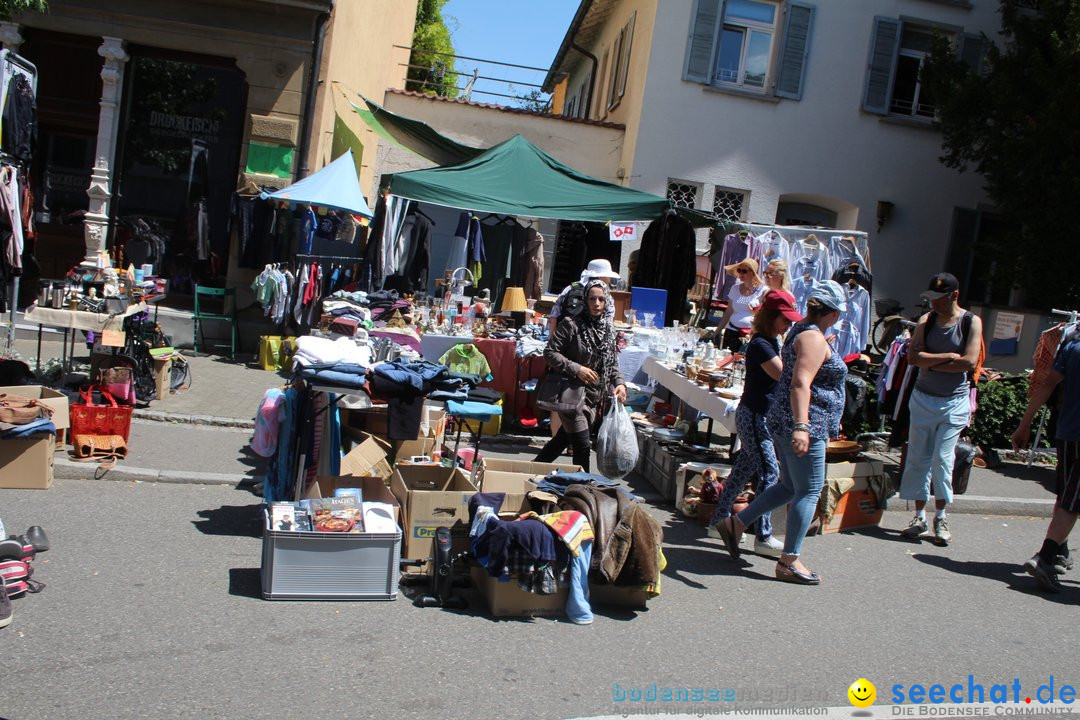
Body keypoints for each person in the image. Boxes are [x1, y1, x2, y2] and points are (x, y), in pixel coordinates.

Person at [716, 281, 848, 585]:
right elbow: (801, 382)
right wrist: (802, 426)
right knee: (808, 491)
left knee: (789, 486)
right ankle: (789, 561)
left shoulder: (803, 330)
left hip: (790, 420)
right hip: (804, 424)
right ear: (834, 312)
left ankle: (736, 524)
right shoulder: (812, 338)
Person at [709, 289, 803, 558]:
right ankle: (762, 535)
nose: (789, 324)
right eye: (785, 319)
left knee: (742, 471)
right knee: (769, 473)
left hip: (756, 414)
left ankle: (718, 521)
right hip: (755, 416)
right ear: (771, 317)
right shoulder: (762, 344)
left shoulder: (771, 341)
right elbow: (784, 375)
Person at [897, 272, 983, 546]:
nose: (933, 304)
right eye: (931, 298)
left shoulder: (971, 321)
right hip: (923, 398)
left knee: (943, 460)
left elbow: (969, 362)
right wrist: (946, 357)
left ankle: (941, 516)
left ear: (954, 295)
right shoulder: (926, 320)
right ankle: (919, 516)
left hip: (953, 401)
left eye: (939, 298)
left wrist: (928, 361)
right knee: (918, 458)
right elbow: (912, 357)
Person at [1012, 333, 1080, 592]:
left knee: (1066, 497)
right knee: (1070, 503)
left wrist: (1024, 423)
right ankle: (1046, 556)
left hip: (1067, 433)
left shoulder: (1073, 344)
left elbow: (1048, 384)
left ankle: (1059, 550)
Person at [535, 280, 627, 472]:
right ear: (585, 300)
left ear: (607, 302)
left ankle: (530, 470)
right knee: (582, 447)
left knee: (561, 441)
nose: (597, 303)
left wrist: (619, 384)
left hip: (594, 397)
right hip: (572, 394)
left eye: (601, 299)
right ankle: (582, 491)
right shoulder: (571, 324)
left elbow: (612, 363)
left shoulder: (608, 331)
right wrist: (576, 368)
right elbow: (550, 352)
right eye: (592, 298)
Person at [548, 258, 620, 335]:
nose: (609, 280)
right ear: (600, 277)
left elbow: (554, 316)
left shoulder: (571, 288)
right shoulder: (605, 295)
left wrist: (551, 339)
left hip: (566, 337)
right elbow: (609, 321)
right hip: (591, 341)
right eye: (608, 277)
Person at [716, 258, 767, 352]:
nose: (741, 274)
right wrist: (718, 330)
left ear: (753, 273)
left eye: (744, 271)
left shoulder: (763, 290)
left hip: (749, 334)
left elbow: (764, 315)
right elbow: (729, 311)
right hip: (731, 330)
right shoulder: (734, 289)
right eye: (739, 271)